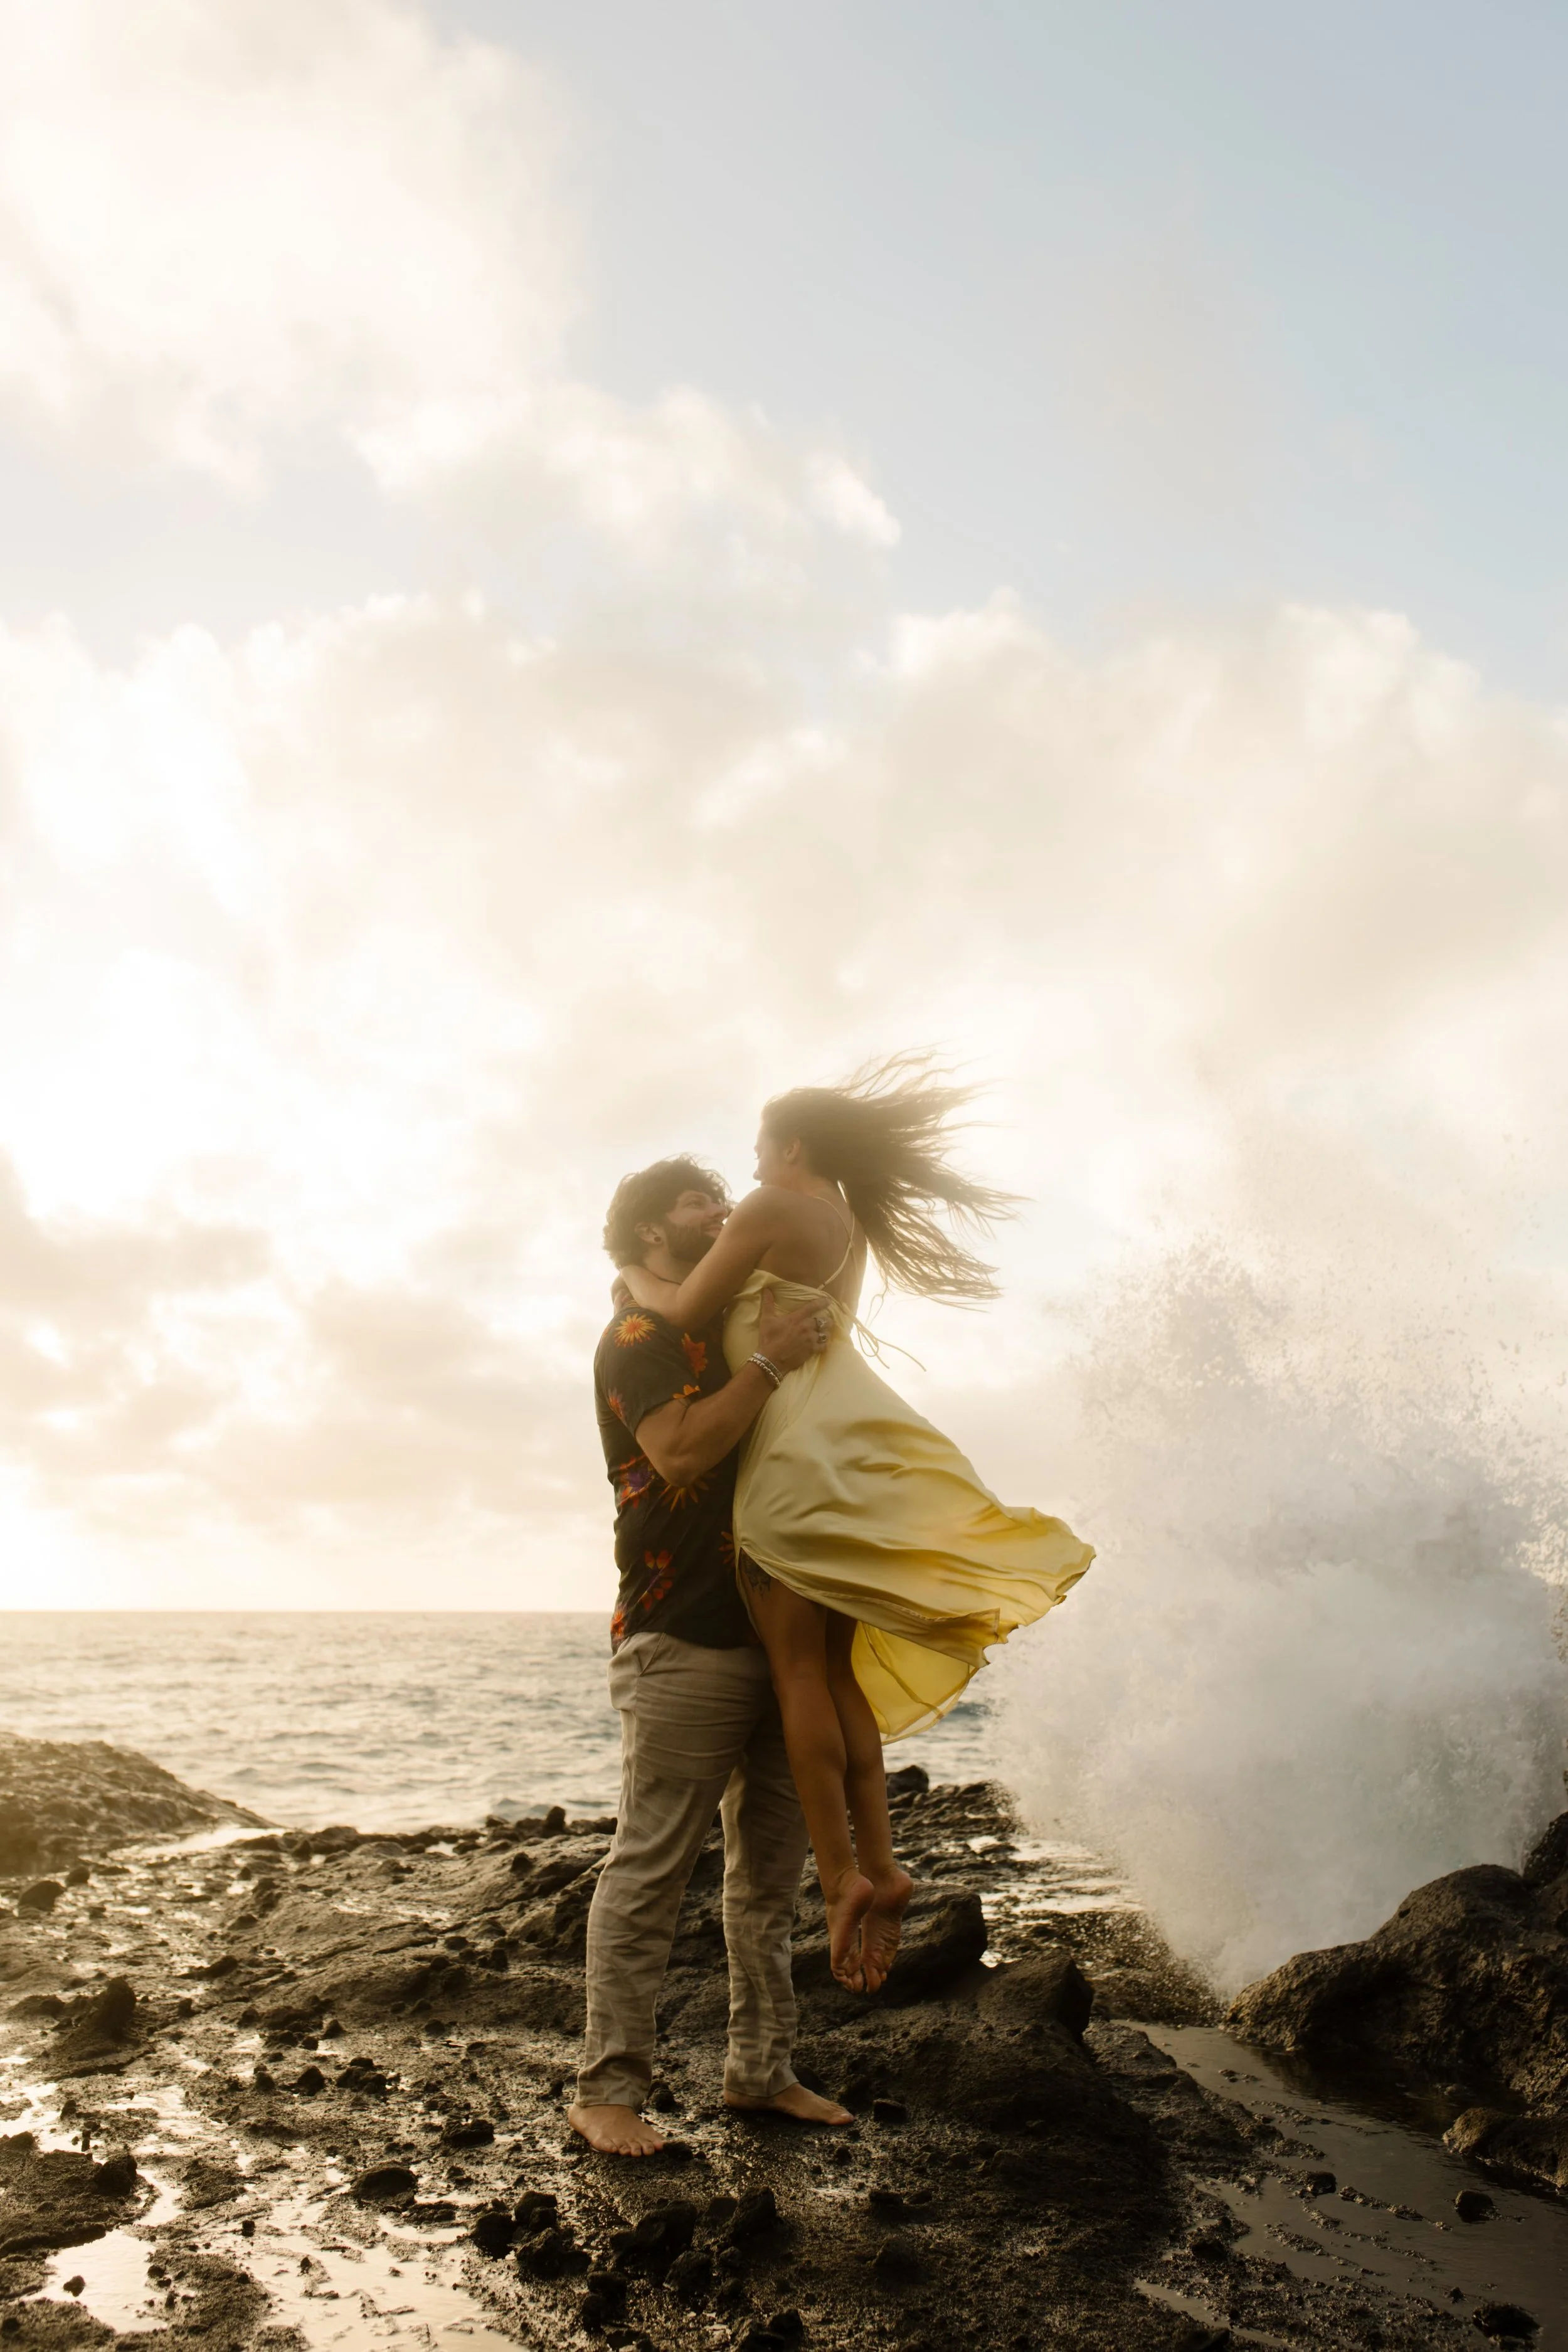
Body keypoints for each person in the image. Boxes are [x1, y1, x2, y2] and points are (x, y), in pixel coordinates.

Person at [615, 1054, 1095, 1998]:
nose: (747, 1170)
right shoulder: (850, 1227)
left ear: (792, 1145)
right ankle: (882, 1856)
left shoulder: (769, 1212)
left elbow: (680, 1308)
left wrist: (627, 1266)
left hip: (790, 1456)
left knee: (799, 1668)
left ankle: (842, 1876)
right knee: (834, 1671)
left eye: (757, 1148)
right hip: (844, 1443)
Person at [570, 1157, 851, 2158]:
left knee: (767, 1875)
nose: (723, 1211)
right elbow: (682, 1451)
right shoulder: (636, 1337)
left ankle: (761, 2071)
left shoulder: (722, 1325)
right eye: (700, 1202)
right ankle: (606, 2090)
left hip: (781, 1636)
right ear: (652, 1231)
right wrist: (768, 1364)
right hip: (680, 1631)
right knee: (651, 1865)